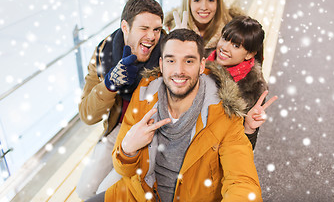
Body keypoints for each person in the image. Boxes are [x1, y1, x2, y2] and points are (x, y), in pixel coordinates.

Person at [86, 28, 262, 202]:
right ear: (161, 65)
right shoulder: (143, 96)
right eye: (171, 61)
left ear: (201, 66)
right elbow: (123, 169)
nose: (179, 70)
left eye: (189, 61)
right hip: (139, 194)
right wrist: (127, 151)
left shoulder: (225, 112)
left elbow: (243, 181)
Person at [76, 0, 164, 200]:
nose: (152, 37)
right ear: (125, 27)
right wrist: (109, 84)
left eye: (157, 29)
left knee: (105, 194)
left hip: (148, 135)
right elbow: (87, 116)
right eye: (144, 28)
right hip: (118, 128)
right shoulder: (103, 53)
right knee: (84, 191)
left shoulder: (166, 51)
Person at [205, 15, 278, 149]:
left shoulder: (255, 89)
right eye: (224, 38)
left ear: (250, 54)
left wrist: (249, 129)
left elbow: (245, 149)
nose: (225, 47)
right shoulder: (200, 57)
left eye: (236, 45)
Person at [164, 0, 245, 56]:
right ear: (188, 2)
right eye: (197, 0)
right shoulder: (171, 30)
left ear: (218, 2)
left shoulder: (236, 30)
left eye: (210, 0)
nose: (204, 7)